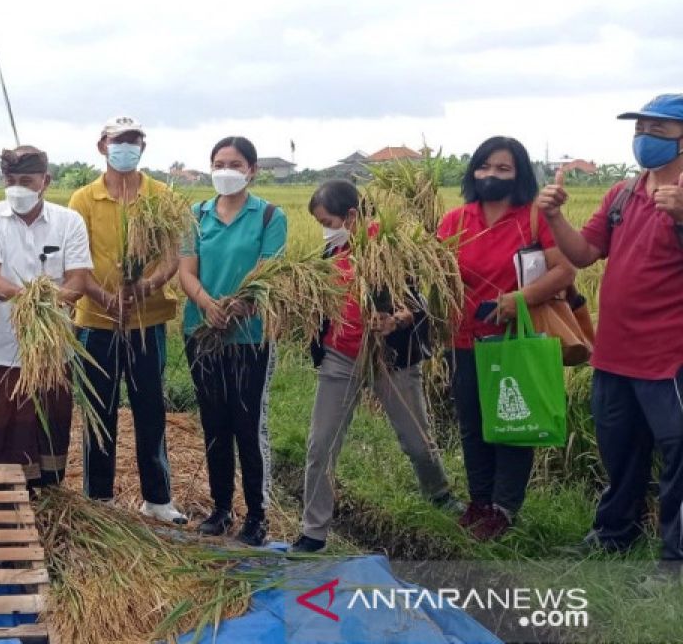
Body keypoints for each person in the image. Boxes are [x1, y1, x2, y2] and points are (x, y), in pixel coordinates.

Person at [538, 95, 683, 566]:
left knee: (678, 457)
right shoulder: (622, 194)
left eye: (658, 129)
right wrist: (555, 216)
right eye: (641, 128)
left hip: (669, 357)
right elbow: (583, 254)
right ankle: (614, 534)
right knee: (620, 453)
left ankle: (674, 557)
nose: (645, 137)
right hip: (615, 352)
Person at [290, 180, 462, 554]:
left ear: (351, 215)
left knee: (417, 440)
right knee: (321, 444)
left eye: (328, 220)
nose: (325, 228)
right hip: (341, 356)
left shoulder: (392, 248)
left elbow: (417, 300)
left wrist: (396, 319)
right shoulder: (330, 252)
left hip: (391, 359)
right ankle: (313, 530)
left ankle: (440, 495)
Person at [437, 136, 574, 541]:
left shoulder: (533, 218)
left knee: (514, 422)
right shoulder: (456, 220)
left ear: (518, 175)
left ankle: (503, 508)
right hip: (464, 339)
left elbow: (564, 270)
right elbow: (435, 272)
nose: (491, 175)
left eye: (502, 168)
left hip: (517, 340)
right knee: (473, 423)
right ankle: (478, 502)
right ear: (472, 171)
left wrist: (520, 299)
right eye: (484, 167)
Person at [69, 116, 186, 523]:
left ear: (143, 148)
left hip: (146, 322)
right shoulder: (84, 199)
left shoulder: (161, 198)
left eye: (133, 140)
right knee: (98, 412)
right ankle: (98, 500)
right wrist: (104, 297)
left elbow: (173, 256)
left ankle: (158, 498)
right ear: (102, 145)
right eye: (119, 141)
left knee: (150, 408)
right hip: (96, 322)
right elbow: (75, 261)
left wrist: (145, 287)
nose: (126, 147)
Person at [179, 136, 287, 546]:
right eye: (219, 162)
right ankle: (221, 507)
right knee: (214, 422)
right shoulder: (194, 215)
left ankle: (257, 515)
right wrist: (207, 305)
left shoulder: (269, 216)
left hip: (249, 336)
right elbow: (186, 271)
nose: (226, 170)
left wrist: (240, 305)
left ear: (252, 170)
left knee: (247, 423)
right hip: (202, 333)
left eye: (235, 163)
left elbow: (269, 273)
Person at [0, 146, 92, 485]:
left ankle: (48, 501)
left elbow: (78, 280)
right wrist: (29, 299)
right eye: (11, 180)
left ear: (45, 181)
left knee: (48, 425)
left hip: (52, 350)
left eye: (26, 180)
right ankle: (0, 501)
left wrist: (47, 305)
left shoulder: (69, 222)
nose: (17, 188)